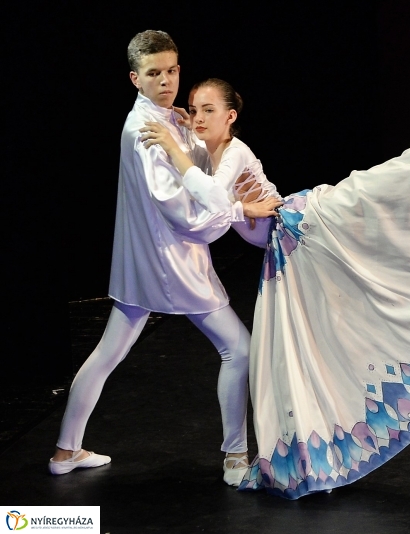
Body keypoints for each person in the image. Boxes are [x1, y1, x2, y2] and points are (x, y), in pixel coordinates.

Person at [143, 55, 410, 499]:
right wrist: (177, 131)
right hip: (289, 250)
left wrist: (179, 150)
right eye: (194, 109)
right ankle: (320, 456)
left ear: (230, 117)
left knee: (402, 173)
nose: (198, 117)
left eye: (209, 109)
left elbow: (210, 194)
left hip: (306, 224)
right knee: (308, 352)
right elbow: (199, 187)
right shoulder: (203, 152)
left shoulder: (233, 152)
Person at [48, 30, 282, 487]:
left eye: (172, 70)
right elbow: (184, 214)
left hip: (147, 262)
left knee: (107, 353)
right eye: (154, 73)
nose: (166, 81)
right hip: (171, 262)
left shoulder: (164, 118)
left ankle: (65, 450)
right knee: (238, 349)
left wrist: (190, 133)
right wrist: (241, 210)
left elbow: (193, 170)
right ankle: (235, 455)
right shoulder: (147, 132)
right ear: (135, 78)